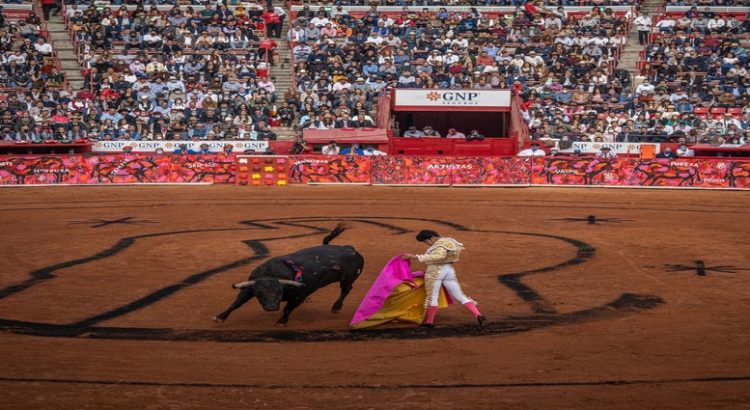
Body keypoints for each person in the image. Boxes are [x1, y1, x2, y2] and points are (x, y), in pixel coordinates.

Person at [400, 230, 486, 327]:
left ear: (432, 237)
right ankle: (478, 315)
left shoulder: (438, 245)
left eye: (425, 241)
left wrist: (415, 257)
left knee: (432, 297)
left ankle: (429, 321)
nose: (426, 243)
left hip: (435, 272)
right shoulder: (449, 241)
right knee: (460, 296)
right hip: (449, 270)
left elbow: (439, 256)